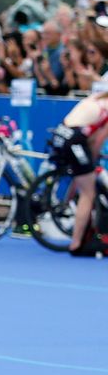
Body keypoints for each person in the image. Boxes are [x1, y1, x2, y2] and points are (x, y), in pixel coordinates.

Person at [48, 91, 108, 253]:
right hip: (73, 139)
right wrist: (93, 159)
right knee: (88, 193)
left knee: (80, 175)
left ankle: (67, 202)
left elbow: (89, 132)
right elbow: (98, 140)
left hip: (62, 132)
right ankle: (75, 242)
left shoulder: (98, 96)